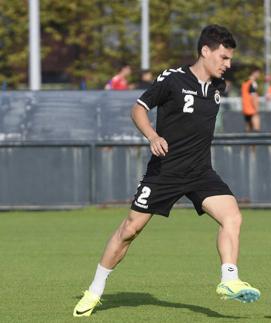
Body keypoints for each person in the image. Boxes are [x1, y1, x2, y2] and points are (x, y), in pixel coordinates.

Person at [73, 25, 260, 317]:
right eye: (224, 57)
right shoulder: (172, 79)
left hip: (200, 172)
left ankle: (229, 280)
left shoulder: (217, 88)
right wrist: (153, 136)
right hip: (166, 171)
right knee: (129, 231)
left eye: (230, 59)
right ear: (205, 51)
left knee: (232, 216)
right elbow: (138, 109)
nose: (228, 64)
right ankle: (94, 291)